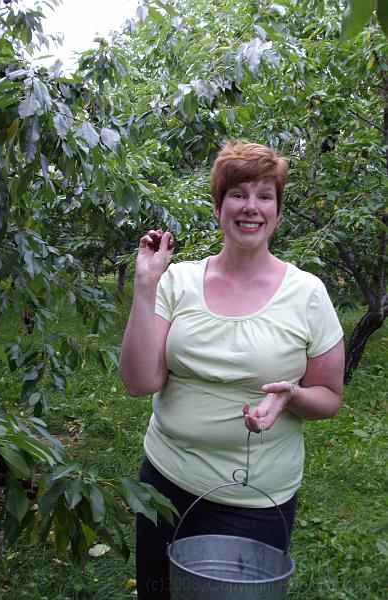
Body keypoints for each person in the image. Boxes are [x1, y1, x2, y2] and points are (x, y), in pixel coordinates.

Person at [119, 141, 345, 600]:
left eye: (265, 195)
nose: (251, 207)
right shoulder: (177, 281)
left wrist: (292, 397)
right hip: (164, 484)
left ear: (278, 210)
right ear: (219, 205)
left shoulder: (308, 294)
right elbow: (140, 382)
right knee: (158, 594)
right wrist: (146, 285)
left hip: (254, 500)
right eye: (238, 193)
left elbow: (329, 395)